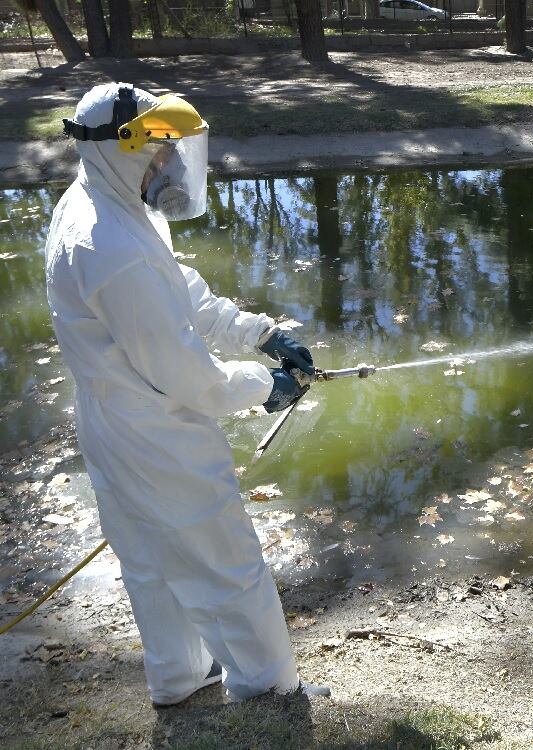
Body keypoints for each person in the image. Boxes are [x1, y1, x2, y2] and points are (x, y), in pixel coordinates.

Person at [44, 82, 328, 706]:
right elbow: (188, 376)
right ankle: (269, 687)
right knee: (227, 562)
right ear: (122, 149)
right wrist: (263, 386)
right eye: (157, 151)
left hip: (117, 423)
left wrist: (260, 333)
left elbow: (179, 290)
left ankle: (177, 677)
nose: (168, 162)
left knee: (152, 562)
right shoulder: (113, 248)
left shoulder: (103, 201)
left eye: (170, 149)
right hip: (157, 431)